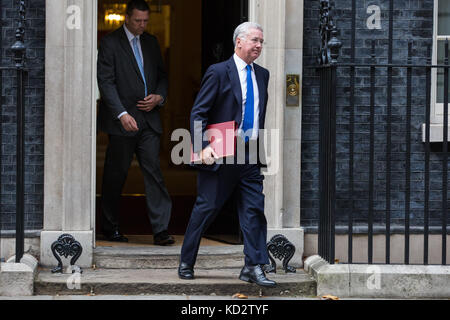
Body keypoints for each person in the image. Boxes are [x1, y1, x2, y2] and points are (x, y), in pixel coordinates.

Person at [178, 22, 276, 287]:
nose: (258, 46)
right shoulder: (219, 71)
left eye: (261, 42)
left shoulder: (263, 75)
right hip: (220, 154)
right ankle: (187, 260)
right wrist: (202, 147)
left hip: (250, 154)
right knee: (206, 209)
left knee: (254, 210)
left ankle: (253, 267)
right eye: (255, 40)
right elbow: (198, 111)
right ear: (239, 42)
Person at [97, 0, 174, 246]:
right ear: (126, 18)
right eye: (138, 21)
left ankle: (161, 230)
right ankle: (110, 228)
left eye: (146, 21)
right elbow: (106, 82)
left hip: (149, 121)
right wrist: (121, 114)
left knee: (154, 174)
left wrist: (160, 96)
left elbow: (162, 76)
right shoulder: (110, 43)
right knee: (115, 175)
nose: (142, 25)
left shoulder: (151, 42)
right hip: (123, 122)